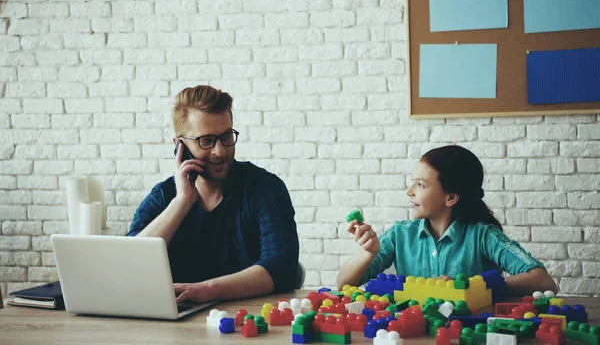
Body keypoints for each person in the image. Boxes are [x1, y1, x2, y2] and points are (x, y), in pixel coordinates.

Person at [128, 85, 299, 303]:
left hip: (248, 321)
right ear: (179, 145)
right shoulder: (164, 196)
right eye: (206, 141)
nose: (220, 151)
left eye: (226, 136)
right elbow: (130, 266)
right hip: (177, 326)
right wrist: (181, 202)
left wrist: (208, 290)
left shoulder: (265, 189)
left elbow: (281, 267)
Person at [337, 145, 558, 296]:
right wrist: (368, 253)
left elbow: (543, 281)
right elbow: (344, 284)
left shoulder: (483, 236)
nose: (409, 191)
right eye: (411, 181)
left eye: (420, 185)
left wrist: (471, 286)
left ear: (451, 197)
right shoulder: (400, 234)